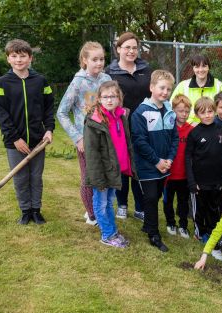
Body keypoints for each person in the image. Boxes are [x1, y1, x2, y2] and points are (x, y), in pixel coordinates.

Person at [0, 39, 54, 225]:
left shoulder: (41, 81)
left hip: (38, 140)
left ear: (30, 58)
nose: (18, 60)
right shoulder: (1, 84)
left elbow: (49, 107)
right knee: (20, 178)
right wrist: (14, 139)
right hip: (14, 142)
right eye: (14, 56)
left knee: (36, 177)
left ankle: (36, 210)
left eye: (22, 56)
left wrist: (49, 129)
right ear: (8, 59)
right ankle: (25, 211)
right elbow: (2, 114)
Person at [57, 41, 111, 226]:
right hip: (86, 140)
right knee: (89, 177)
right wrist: (77, 137)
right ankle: (92, 214)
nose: (99, 63)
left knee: (104, 176)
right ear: (84, 60)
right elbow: (61, 112)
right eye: (94, 59)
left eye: (102, 59)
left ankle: (102, 209)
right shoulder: (78, 82)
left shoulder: (106, 80)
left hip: (106, 139)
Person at [105, 32, 152, 221]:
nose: (131, 51)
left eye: (134, 47)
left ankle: (140, 207)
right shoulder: (109, 72)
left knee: (139, 167)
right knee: (122, 166)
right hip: (119, 127)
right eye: (127, 47)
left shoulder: (146, 70)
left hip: (143, 126)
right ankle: (122, 204)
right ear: (118, 50)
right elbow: (104, 97)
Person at [132, 70, 179, 252]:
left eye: (168, 89)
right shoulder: (141, 113)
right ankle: (153, 234)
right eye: (161, 88)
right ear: (151, 87)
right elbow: (139, 141)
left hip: (164, 165)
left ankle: (147, 224)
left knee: (157, 195)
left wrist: (169, 159)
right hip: (148, 166)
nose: (165, 92)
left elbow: (174, 138)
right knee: (151, 197)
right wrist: (156, 161)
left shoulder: (170, 111)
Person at [84, 81, 134, 248]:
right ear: (99, 99)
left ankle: (112, 231)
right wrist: (97, 178)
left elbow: (126, 143)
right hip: (102, 172)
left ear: (119, 98)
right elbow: (92, 153)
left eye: (113, 96)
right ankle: (107, 235)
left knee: (110, 201)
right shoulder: (94, 121)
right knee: (101, 202)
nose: (110, 100)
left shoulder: (121, 116)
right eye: (106, 97)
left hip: (115, 169)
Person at [185, 97, 222, 244]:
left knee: (214, 207)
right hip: (200, 182)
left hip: (216, 180)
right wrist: (192, 181)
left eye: (210, 111)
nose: (207, 115)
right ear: (197, 114)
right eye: (203, 112)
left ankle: (213, 230)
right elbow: (188, 159)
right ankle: (200, 233)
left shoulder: (221, 130)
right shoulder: (194, 134)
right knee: (200, 209)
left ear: (215, 111)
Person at [163, 94, 193, 238]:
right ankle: (170, 223)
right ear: (173, 110)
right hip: (169, 174)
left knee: (183, 202)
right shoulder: (168, 128)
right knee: (168, 201)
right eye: (180, 110)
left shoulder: (191, 130)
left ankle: (183, 225)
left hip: (184, 175)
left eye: (187, 111)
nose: (184, 114)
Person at [171, 54, 222, 124]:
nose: (201, 70)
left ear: (209, 67)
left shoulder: (220, 86)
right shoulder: (182, 86)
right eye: (197, 67)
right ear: (193, 68)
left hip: (213, 129)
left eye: (204, 66)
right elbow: (171, 108)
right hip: (188, 129)